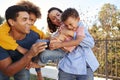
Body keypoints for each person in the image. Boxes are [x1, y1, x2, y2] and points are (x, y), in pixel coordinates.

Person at [47, 7, 99, 80]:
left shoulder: (79, 25)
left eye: (58, 15)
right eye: (53, 18)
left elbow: (90, 43)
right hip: (66, 68)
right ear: (52, 22)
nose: (58, 18)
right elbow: (53, 48)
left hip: (85, 68)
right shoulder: (55, 35)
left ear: (62, 13)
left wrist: (70, 33)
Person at [0, 1, 46, 80]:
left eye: (32, 21)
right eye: (25, 19)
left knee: (24, 76)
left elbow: (42, 57)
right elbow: (8, 71)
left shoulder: (34, 34)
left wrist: (39, 70)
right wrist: (23, 50)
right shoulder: (3, 32)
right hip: (3, 64)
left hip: (22, 61)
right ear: (11, 22)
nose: (30, 23)